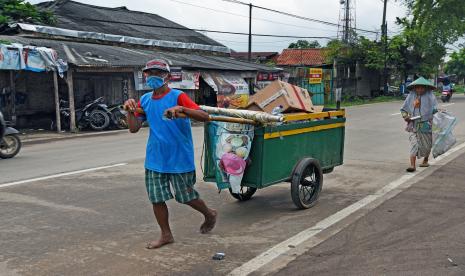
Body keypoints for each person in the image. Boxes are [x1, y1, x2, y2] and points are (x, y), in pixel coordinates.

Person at [124, 59, 217, 249]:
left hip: (179, 156)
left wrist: (182, 109)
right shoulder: (145, 100)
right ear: (145, 76)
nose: (153, 76)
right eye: (150, 73)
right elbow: (134, 128)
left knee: (186, 196)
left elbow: (205, 116)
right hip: (155, 157)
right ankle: (166, 235)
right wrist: (129, 111)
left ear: (167, 76)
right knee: (156, 198)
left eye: (158, 73)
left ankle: (209, 214)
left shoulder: (178, 96)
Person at [400, 77, 438, 172]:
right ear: (414, 88)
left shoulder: (430, 96)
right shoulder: (411, 96)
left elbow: (434, 109)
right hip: (413, 125)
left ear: (425, 88)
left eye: (422, 88)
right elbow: (403, 109)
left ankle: (425, 160)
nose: (420, 90)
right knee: (414, 145)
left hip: (427, 125)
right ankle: (412, 166)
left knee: (427, 145)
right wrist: (405, 116)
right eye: (417, 88)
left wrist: (438, 112)